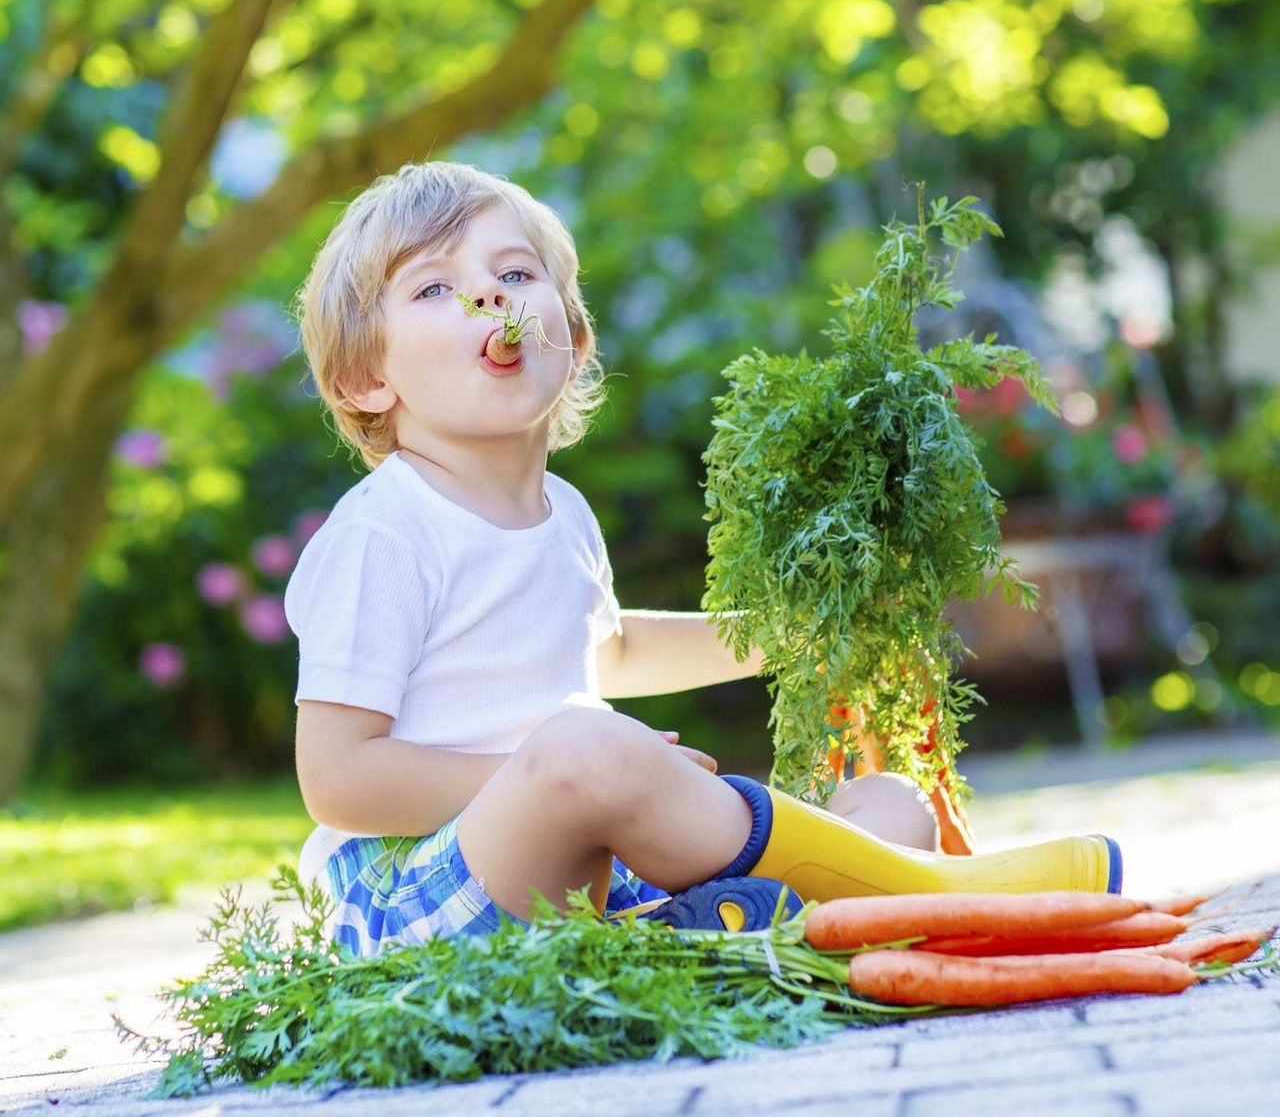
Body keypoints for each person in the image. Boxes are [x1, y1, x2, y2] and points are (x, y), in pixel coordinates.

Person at [285, 161, 1120, 958]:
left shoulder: (562, 512)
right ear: (366, 379)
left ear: (572, 343)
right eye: (435, 288)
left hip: (588, 885)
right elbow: (338, 777)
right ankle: (945, 898)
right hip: (414, 896)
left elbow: (606, 649)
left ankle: (744, 931)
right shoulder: (386, 533)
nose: (487, 294)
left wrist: (786, 634)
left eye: (515, 274)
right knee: (586, 746)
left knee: (889, 801)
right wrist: (564, 775)